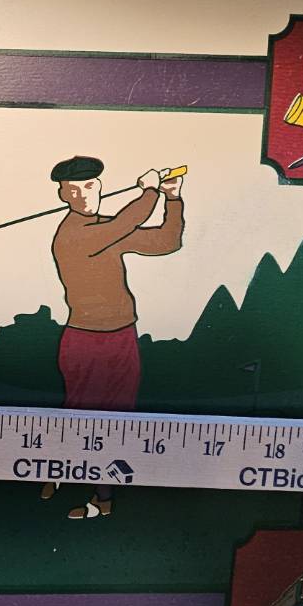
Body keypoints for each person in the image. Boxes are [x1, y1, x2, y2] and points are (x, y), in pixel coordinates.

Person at [47, 155, 184, 520]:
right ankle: (61, 477)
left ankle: (102, 499)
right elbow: (128, 220)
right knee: (82, 419)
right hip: (85, 340)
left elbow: (166, 241)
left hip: (122, 336)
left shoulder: (106, 230)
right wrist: (150, 191)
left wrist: (172, 199)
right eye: (74, 189)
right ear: (63, 195)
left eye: (90, 186)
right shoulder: (74, 234)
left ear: (100, 187)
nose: (84, 195)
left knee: (119, 419)